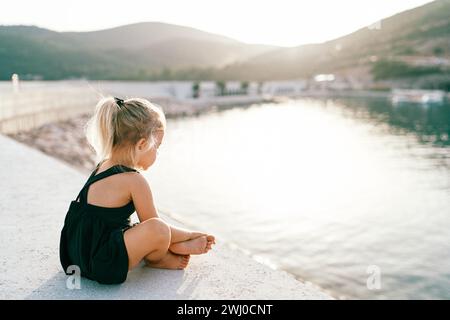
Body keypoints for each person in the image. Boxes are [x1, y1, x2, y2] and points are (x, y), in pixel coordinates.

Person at [59, 97, 215, 284]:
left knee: (144, 229)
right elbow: (154, 226)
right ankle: (159, 259)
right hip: (102, 265)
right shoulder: (134, 181)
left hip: (76, 255)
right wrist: (190, 234)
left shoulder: (104, 165)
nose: (157, 152)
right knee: (158, 229)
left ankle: (175, 246)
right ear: (142, 145)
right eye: (157, 147)